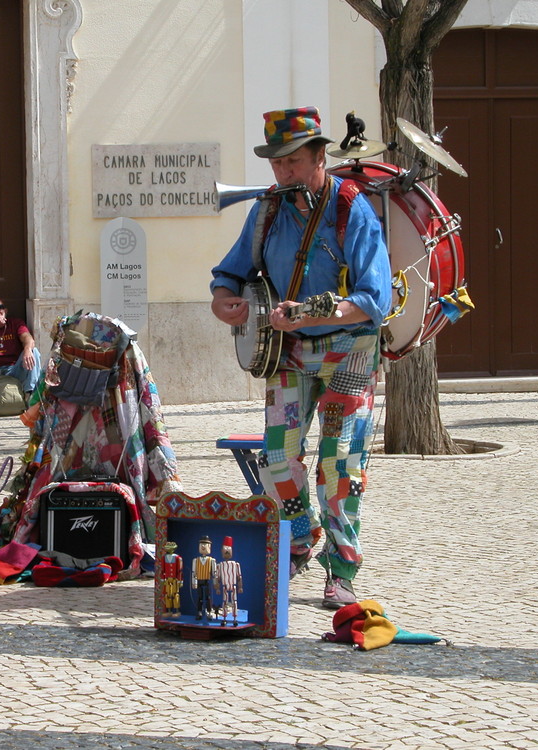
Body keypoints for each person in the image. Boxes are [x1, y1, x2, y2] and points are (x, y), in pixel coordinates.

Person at [210, 106, 391, 609]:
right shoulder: (266, 211)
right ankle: (297, 539)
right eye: (276, 163)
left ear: (319, 156)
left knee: (339, 462)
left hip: (349, 351)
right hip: (289, 353)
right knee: (277, 456)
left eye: (292, 160)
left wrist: (310, 315)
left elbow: (376, 300)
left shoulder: (351, 208)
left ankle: (342, 568)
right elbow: (230, 271)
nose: (283, 172)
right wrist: (224, 301)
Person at [214, 536, 242, 626]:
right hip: (225, 586)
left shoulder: (236, 564)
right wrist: (217, 588)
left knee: (234, 601)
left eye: (228, 550)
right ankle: (224, 618)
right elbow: (217, 578)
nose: (226, 552)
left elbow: (239, 577)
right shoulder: (220, 565)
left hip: (233, 585)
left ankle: (234, 618)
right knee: (225, 602)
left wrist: (240, 586)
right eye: (225, 550)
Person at [190, 536, 216, 622]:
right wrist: (194, 582)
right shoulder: (196, 560)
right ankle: (199, 611)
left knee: (208, 597)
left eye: (205, 544)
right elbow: (194, 572)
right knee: (200, 597)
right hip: (199, 581)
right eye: (202, 544)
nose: (203, 546)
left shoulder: (211, 560)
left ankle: (209, 612)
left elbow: (214, 573)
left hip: (207, 581)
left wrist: (215, 583)